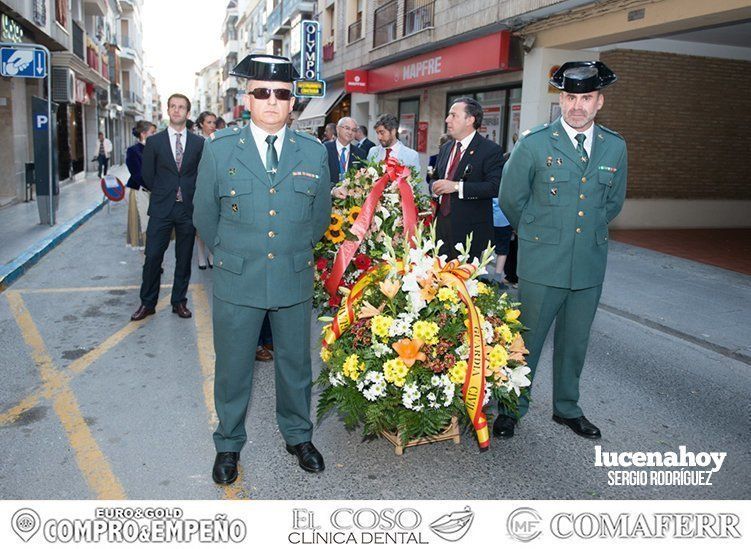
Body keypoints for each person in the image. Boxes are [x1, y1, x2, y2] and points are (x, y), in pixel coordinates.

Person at [193, 54, 331, 484]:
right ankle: (228, 444)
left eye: (281, 94)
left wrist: (293, 249)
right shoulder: (219, 150)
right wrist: (234, 253)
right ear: (247, 100)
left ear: (293, 103)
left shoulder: (312, 151)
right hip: (238, 278)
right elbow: (204, 216)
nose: (272, 100)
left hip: (292, 275)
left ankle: (297, 435)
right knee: (233, 367)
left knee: (296, 364)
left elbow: (320, 217)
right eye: (262, 92)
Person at [497, 60, 627, 439]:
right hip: (542, 263)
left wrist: (581, 234)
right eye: (571, 97)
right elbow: (511, 199)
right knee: (526, 341)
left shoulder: (615, 147)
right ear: (561, 99)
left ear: (599, 101)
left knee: (575, 342)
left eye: (586, 98)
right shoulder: (536, 143)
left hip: (588, 263)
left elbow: (613, 203)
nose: (577, 105)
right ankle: (511, 406)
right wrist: (539, 235)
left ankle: (567, 408)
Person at [130, 93, 205, 322]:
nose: (176, 110)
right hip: (162, 208)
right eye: (173, 106)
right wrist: (165, 192)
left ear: (187, 112)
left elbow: (201, 175)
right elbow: (148, 175)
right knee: (153, 257)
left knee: (184, 259)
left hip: (187, 210)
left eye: (181, 107)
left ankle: (179, 301)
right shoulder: (155, 142)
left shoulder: (199, 143)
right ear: (168, 110)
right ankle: (147, 303)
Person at [431, 97, 502, 261]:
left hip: (470, 233)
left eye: (453, 115)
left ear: (470, 120)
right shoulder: (446, 148)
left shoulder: (490, 150)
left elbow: (495, 186)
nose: (447, 120)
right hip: (441, 229)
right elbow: (435, 177)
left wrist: (456, 187)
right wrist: (435, 187)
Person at [126, 121, 157, 249]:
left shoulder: (156, 149)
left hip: (154, 193)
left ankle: (154, 262)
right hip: (141, 192)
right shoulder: (133, 151)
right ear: (143, 134)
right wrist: (155, 186)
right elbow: (137, 174)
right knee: (143, 228)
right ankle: (147, 263)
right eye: (152, 133)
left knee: (155, 229)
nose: (155, 135)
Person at [194, 111, 218, 270]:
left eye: (214, 122)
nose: (212, 125)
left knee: (215, 222)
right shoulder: (196, 141)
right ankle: (201, 255)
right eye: (209, 122)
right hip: (200, 185)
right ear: (202, 124)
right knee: (201, 223)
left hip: (216, 186)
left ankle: (211, 254)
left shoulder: (218, 140)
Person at [324, 117, 366, 186]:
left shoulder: (360, 153)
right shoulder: (325, 149)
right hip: (328, 194)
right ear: (337, 129)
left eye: (354, 130)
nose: (350, 132)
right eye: (347, 128)